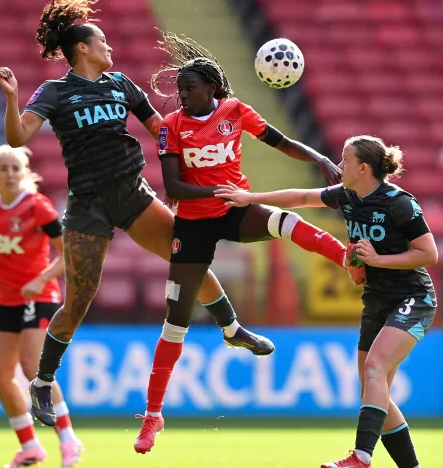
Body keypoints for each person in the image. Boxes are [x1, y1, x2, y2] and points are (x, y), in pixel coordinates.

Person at [0, 0, 275, 428]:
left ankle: (231, 328)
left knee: (188, 260)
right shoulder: (53, 92)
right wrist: (13, 99)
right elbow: (17, 138)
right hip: (88, 203)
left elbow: (164, 129)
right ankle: (42, 383)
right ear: (83, 48)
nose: (109, 47)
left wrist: (210, 123)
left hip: (132, 193)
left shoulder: (122, 84)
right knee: (79, 301)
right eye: (101, 41)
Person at [133, 31, 363, 454]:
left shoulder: (236, 112)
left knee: (284, 220)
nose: (181, 95)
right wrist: (218, 191)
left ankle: (346, 256)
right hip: (195, 221)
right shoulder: (171, 126)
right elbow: (172, 186)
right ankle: (152, 417)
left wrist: (320, 157)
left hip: (235, 208)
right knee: (175, 320)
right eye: (180, 89)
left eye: (190, 88)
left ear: (213, 90)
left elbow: (280, 142)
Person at [216, 135, 438, 468]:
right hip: (377, 299)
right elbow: (302, 196)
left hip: (414, 298)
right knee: (374, 388)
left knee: (374, 368)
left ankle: (361, 458)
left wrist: (377, 261)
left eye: (346, 160)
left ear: (363, 168)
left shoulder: (399, 203)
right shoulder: (347, 195)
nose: (340, 164)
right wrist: (250, 198)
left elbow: (429, 254)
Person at [0, 145, 84, 468]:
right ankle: (30, 447)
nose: (9, 173)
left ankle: (69, 441)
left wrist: (41, 279)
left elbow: (69, 252)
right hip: (9, 296)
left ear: (24, 172)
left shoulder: (37, 207)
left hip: (38, 296)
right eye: (3, 168)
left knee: (31, 366)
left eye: (15, 168)